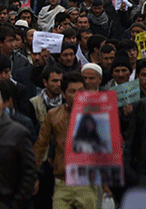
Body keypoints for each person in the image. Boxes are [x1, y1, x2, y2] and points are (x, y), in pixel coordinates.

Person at [33, 72, 98, 209]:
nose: (77, 95)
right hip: (62, 181)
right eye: (72, 91)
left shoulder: (97, 114)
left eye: (80, 91)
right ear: (63, 94)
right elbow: (40, 146)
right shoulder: (53, 115)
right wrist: (33, 175)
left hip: (88, 182)